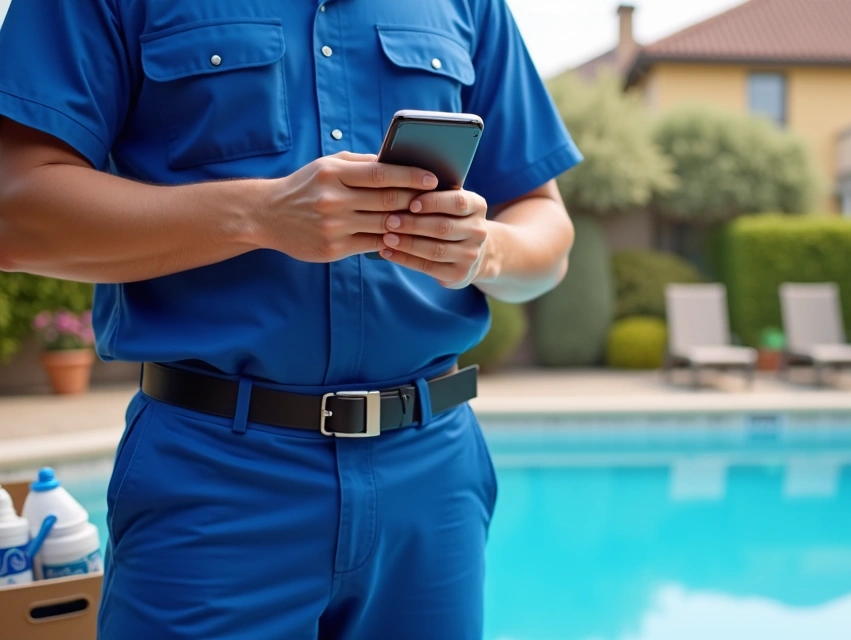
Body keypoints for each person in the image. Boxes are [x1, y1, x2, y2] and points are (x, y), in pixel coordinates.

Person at [0, 0, 581, 637]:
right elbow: (15, 210)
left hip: (433, 476)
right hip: (215, 479)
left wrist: (483, 249)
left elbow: (547, 232)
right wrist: (260, 215)